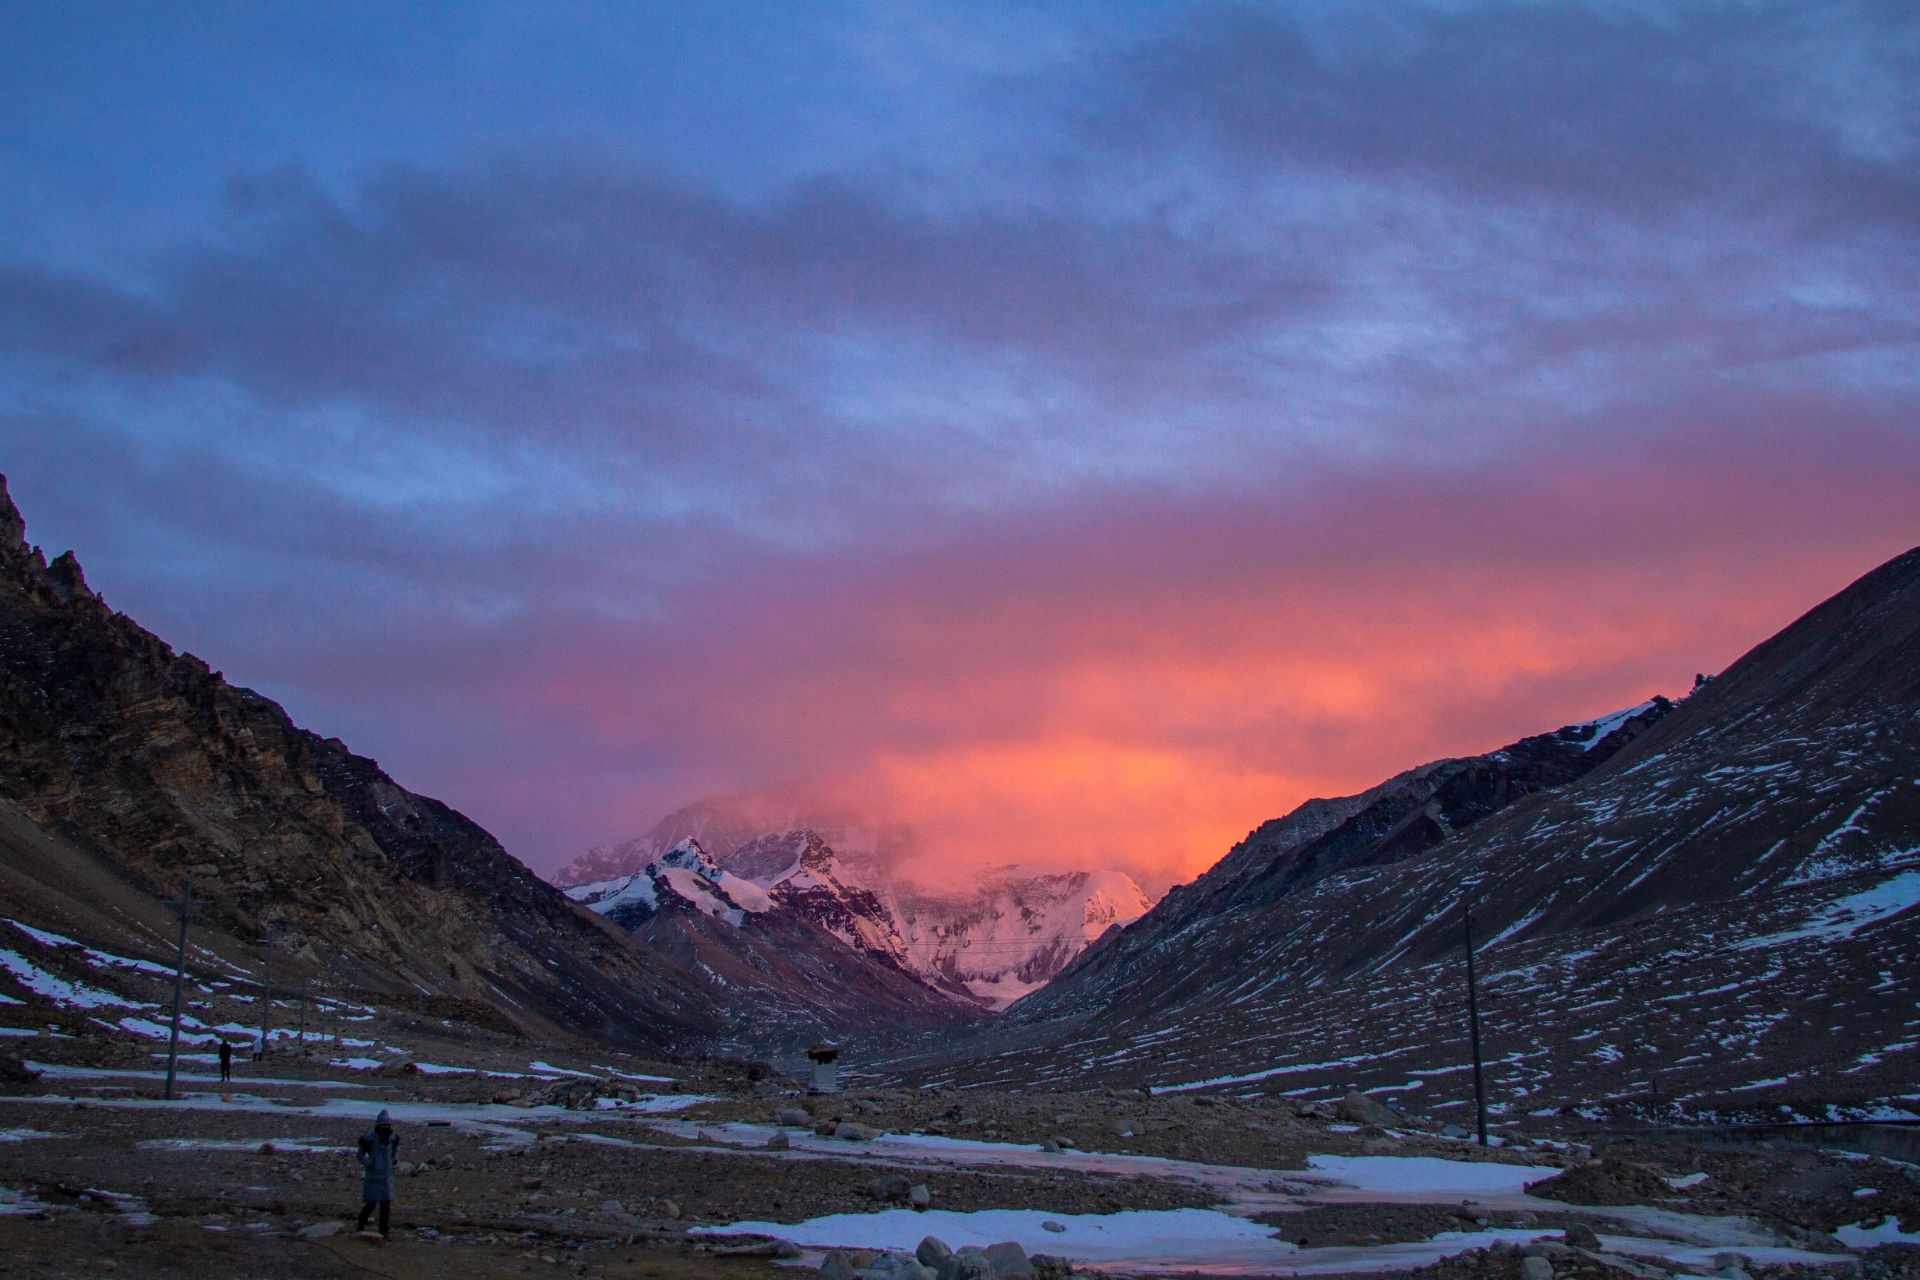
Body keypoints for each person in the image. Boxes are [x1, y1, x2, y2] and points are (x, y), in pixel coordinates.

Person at [355, 1109, 399, 1237]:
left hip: (387, 1176)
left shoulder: (393, 1138)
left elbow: (396, 1151)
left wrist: (394, 1160)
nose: (385, 1127)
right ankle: (361, 1224)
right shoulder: (368, 1138)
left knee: (386, 1205)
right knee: (371, 1203)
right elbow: (360, 1155)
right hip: (374, 1176)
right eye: (383, 1125)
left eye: (387, 1125)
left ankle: (384, 1230)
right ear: (378, 1125)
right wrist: (370, 1164)